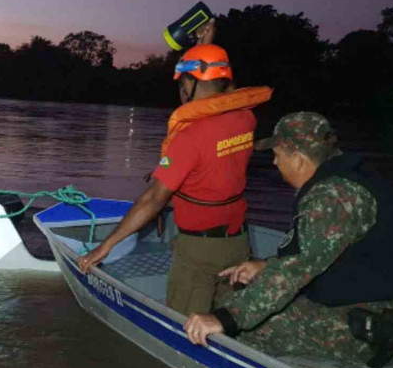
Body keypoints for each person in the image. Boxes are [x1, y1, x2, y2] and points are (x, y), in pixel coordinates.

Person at [183, 112, 393, 368]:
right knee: (234, 290)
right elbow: (317, 250)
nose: (274, 162)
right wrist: (266, 266)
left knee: (241, 327)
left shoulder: (331, 197)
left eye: (278, 154)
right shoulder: (347, 179)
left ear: (299, 159)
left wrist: (225, 319)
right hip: (379, 303)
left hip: (385, 325)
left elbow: (293, 272)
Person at [78, 23, 273, 316]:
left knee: (185, 325)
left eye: (182, 83)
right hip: (238, 243)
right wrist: (205, 47)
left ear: (187, 86)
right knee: (224, 317)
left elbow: (153, 200)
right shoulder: (245, 118)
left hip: (199, 251)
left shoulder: (190, 137)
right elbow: (226, 92)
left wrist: (105, 246)